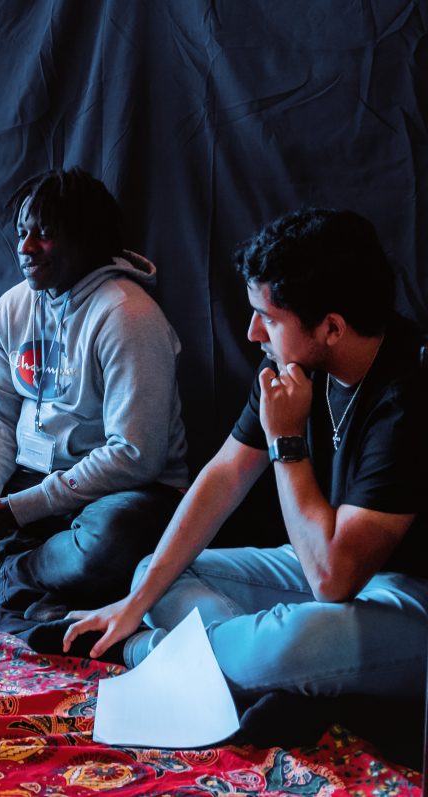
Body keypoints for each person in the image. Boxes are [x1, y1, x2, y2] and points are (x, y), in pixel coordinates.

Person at [59, 208, 428, 727]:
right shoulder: (290, 364)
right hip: (321, 561)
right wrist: (133, 605)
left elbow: (332, 580)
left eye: (270, 318)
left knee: (286, 646)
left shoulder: (409, 394)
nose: (254, 332)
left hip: (406, 591)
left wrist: (287, 440)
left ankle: (158, 655)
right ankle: (244, 670)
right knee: (154, 574)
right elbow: (225, 475)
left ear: (332, 328)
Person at [0, 167, 189, 616]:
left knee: (112, 537)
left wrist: (12, 511)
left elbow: (135, 456)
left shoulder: (128, 315)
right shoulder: (14, 305)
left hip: (122, 490)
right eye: (22, 232)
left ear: (87, 238)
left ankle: (5, 573)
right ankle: (40, 565)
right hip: (29, 479)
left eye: (43, 235)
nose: (24, 248)